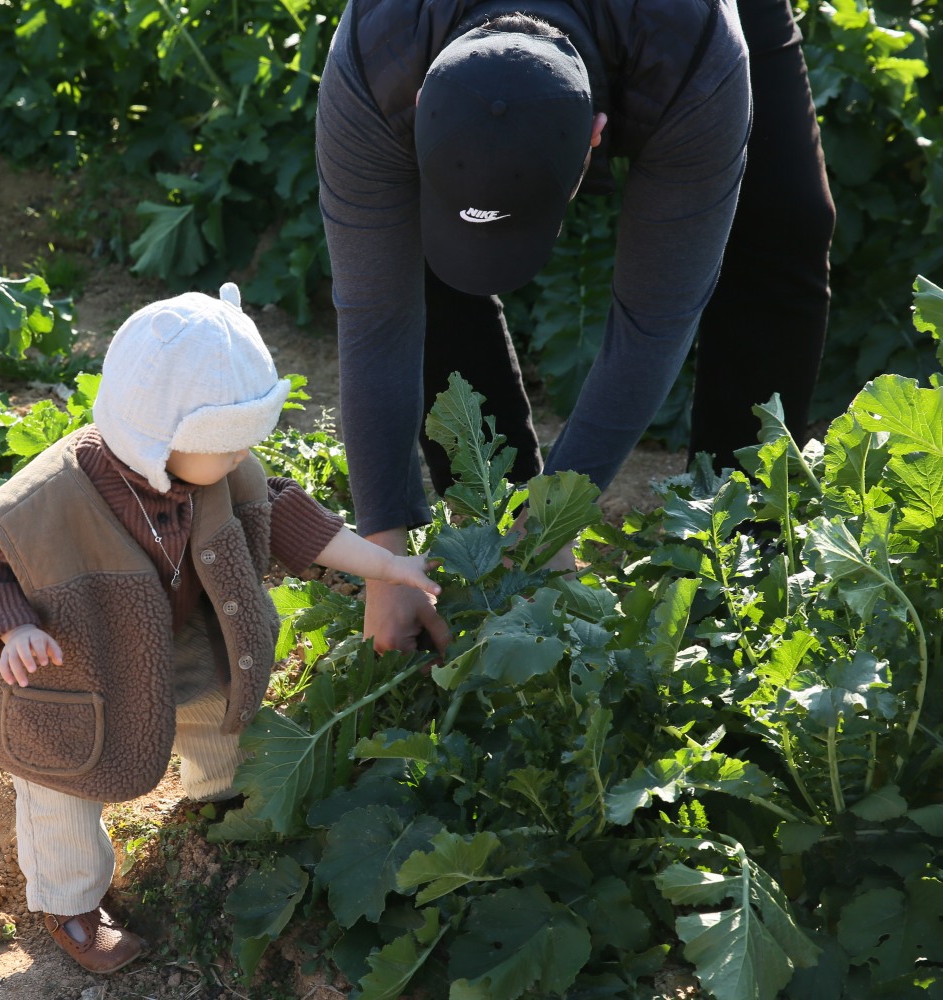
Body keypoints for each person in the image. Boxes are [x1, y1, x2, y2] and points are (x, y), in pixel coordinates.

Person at [0, 283, 441, 972]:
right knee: (63, 788)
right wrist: (14, 631)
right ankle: (70, 902)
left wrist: (387, 565)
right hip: (71, 670)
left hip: (175, 640)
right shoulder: (47, 501)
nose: (242, 457)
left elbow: (296, 522)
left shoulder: (221, 474)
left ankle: (217, 801)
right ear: (158, 434)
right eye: (228, 445)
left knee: (220, 710)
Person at [316, 0, 834, 653]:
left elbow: (654, 318)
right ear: (422, 106)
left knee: (782, 222)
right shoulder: (379, 55)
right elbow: (375, 315)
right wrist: (383, 553)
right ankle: (491, 512)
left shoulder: (694, 54)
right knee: (411, 242)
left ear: (596, 135)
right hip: (441, 40)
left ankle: (738, 557)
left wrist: (554, 517)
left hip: (663, 27)